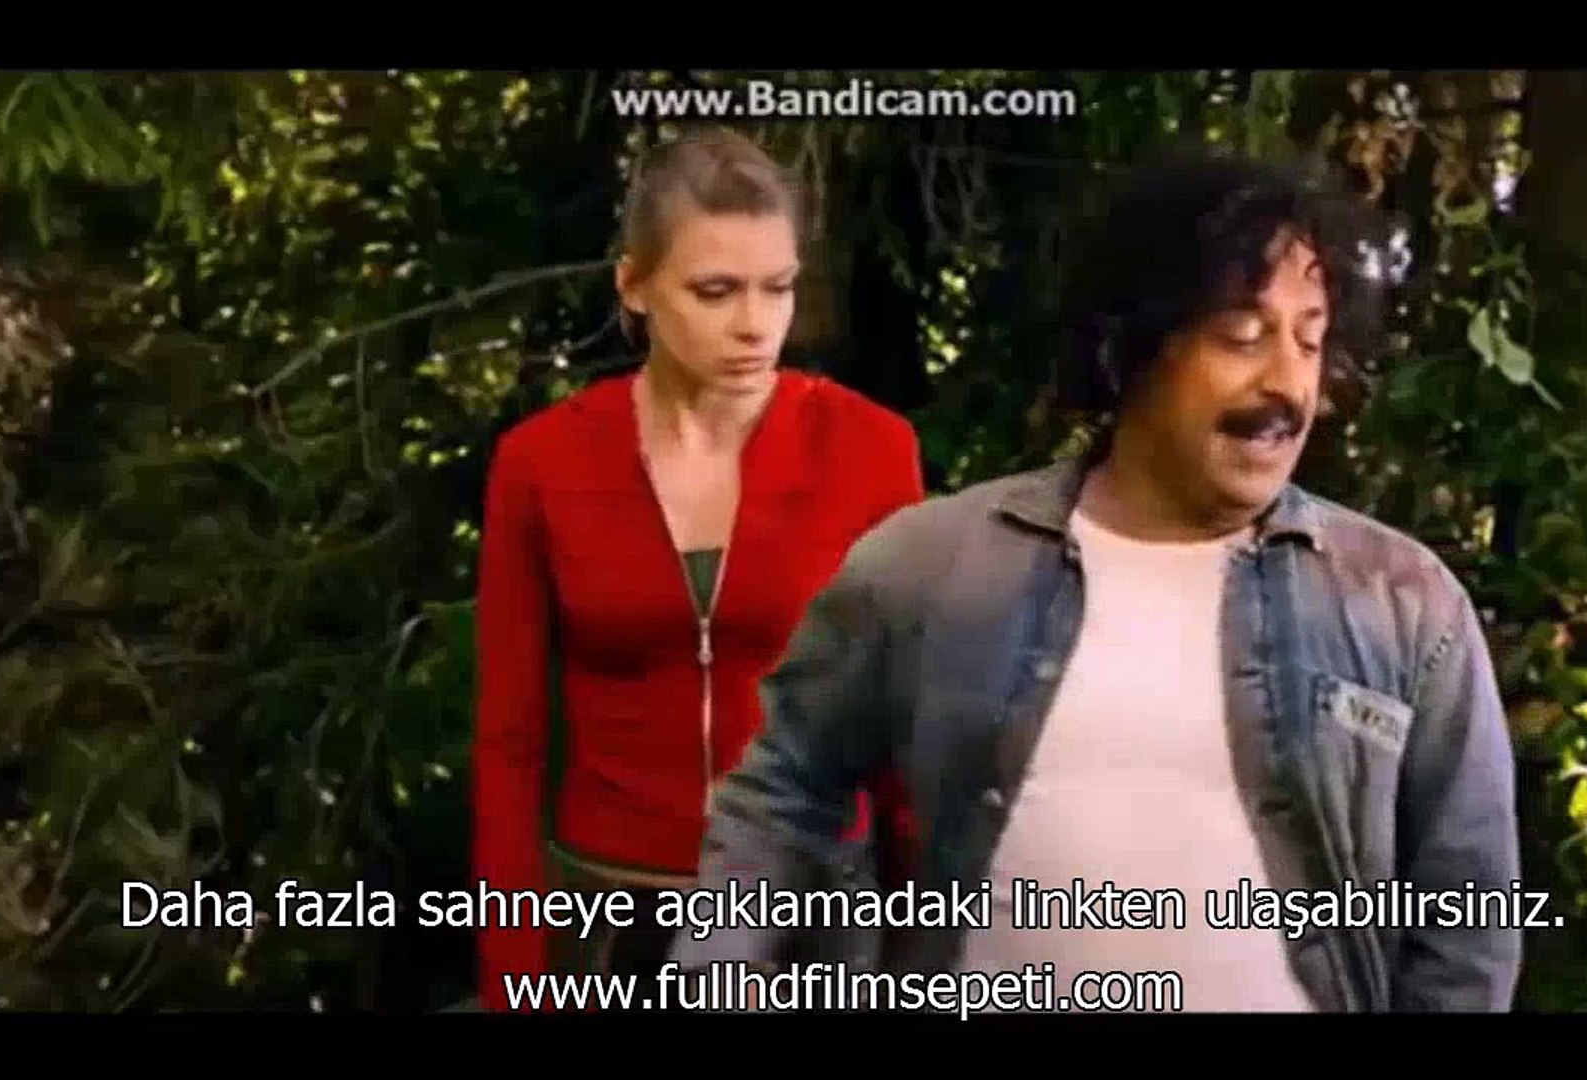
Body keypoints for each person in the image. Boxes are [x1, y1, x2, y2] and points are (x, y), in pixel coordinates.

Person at [670, 142, 1523, 1013]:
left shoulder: (1401, 603)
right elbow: (782, 795)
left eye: (1309, 340)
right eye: (1241, 336)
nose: (1286, 384)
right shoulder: (934, 568)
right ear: (1129, 350)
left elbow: (1468, 926)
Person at [470, 126, 924, 1011]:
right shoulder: (542, 462)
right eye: (715, 291)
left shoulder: (871, 449)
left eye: (777, 287)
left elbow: (902, 725)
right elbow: (509, 744)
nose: (755, 324)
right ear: (635, 286)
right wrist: (512, 975)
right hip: (609, 913)